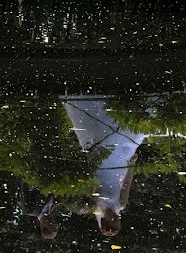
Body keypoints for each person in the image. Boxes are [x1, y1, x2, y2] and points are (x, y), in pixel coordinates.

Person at [62, 95, 145, 236]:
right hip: (117, 165)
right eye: (118, 220)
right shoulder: (120, 204)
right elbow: (127, 182)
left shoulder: (94, 205)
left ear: (106, 221)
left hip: (100, 166)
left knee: (100, 135)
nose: (117, 218)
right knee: (130, 136)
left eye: (114, 221)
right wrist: (131, 165)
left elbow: (89, 182)